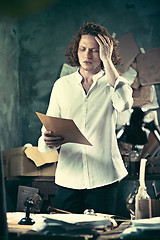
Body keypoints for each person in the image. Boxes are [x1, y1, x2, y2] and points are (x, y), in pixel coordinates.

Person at [38, 22, 133, 214]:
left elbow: (124, 104)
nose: (87, 55)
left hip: (105, 178)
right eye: (83, 49)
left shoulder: (113, 83)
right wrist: (47, 140)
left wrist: (108, 63)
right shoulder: (62, 85)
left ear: (105, 53)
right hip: (68, 179)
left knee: (105, 232)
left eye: (95, 50)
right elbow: (46, 133)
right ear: (76, 50)